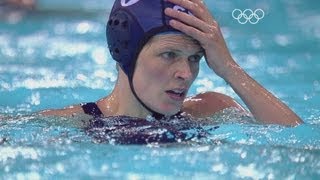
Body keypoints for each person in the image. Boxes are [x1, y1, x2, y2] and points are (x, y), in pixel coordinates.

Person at [41, 0, 303, 126]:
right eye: (169, 55)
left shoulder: (211, 109)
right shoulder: (73, 124)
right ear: (125, 53)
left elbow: (297, 141)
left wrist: (229, 68)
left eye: (195, 58)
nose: (186, 73)